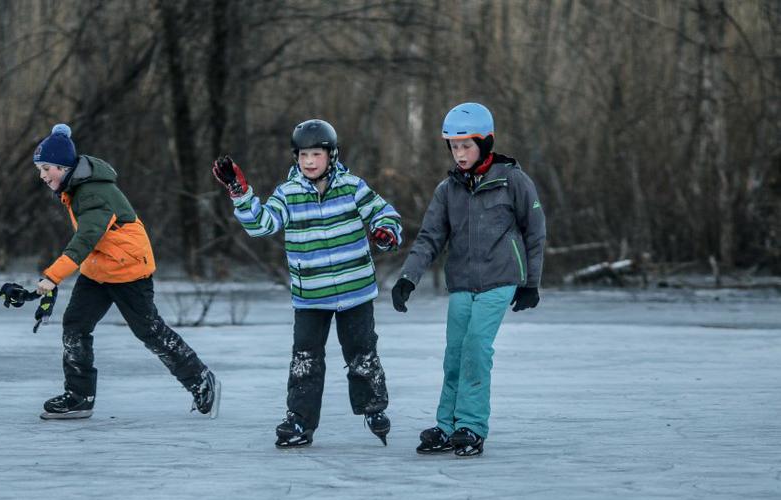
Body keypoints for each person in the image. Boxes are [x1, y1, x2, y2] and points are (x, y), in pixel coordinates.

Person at [212, 119, 402, 447]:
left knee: (362, 352)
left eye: (316, 154)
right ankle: (299, 419)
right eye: (303, 155)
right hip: (311, 295)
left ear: (332, 155)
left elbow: (384, 214)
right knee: (305, 359)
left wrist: (385, 232)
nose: (310, 161)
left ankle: (373, 406)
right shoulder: (288, 194)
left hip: (354, 290)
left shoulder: (353, 187)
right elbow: (262, 225)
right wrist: (240, 193)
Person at [32, 123, 219, 420]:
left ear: (63, 166)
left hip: (128, 268)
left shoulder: (92, 193)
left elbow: (85, 238)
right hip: (100, 268)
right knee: (76, 325)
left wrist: (53, 276)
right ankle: (79, 397)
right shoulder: (77, 187)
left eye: (46, 169)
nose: (42, 176)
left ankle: (200, 379)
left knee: (149, 331)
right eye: (40, 170)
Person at [391, 103, 546, 456]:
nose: (459, 154)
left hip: (502, 277)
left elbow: (535, 232)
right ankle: (447, 426)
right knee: (455, 354)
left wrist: (531, 283)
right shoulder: (448, 190)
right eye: (454, 146)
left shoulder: (513, 181)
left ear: (486, 143)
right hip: (462, 282)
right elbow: (430, 238)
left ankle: (472, 426)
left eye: (466, 145)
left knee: (477, 347)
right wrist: (407, 279)